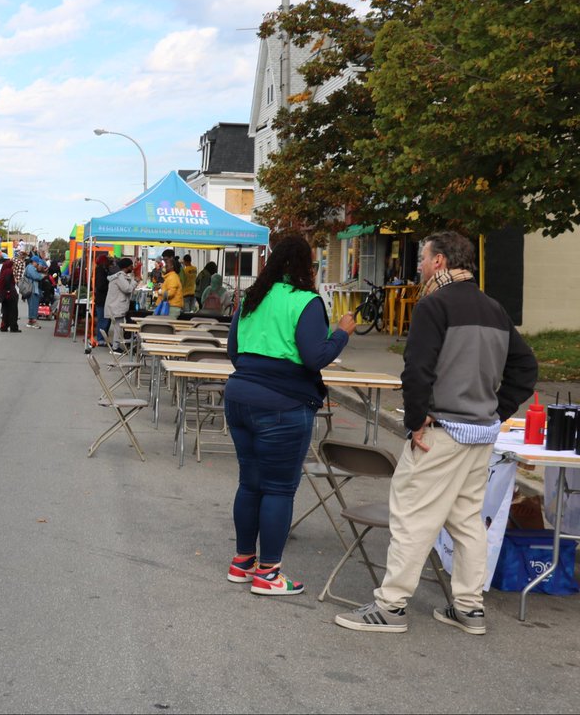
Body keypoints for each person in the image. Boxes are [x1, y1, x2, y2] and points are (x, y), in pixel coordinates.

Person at [335, 231, 537, 634]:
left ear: (441, 261)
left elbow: (417, 368)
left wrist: (415, 420)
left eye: (424, 258)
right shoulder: (494, 308)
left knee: (412, 515)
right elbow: (526, 369)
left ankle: (390, 606)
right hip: (480, 433)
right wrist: (497, 410)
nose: (420, 265)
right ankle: (469, 606)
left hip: (441, 429)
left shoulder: (434, 305)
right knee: (466, 521)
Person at [224, 234, 355, 596]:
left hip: (240, 396)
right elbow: (314, 357)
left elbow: (234, 353)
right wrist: (341, 334)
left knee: (250, 483)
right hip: (283, 403)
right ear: (304, 266)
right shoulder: (306, 302)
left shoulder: (251, 300)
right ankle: (268, 574)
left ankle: (243, 562)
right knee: (279, 488)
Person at [103, 258, 136, 350]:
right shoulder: (120, 277)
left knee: (118, 326)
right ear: (126, 267)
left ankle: (115, 346)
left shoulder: (119, 276)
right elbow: (127, 289)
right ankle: (115, 347)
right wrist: (134, 282)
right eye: (131, 266)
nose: (132, 268)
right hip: (117, 305)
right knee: (118, 327)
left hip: (116, 304)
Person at [0, 254, 21, 333]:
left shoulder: (3, 271)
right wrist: (8, 290)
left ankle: (4, 326)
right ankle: (13, 327)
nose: (13, 267)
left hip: (4, 294)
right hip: (10, 294)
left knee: (5, 311)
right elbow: (7, 281)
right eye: (13, 265)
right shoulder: (9, 271)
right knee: (13, 311)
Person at [23, 259, 44, 328]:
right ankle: (34, 321)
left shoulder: (30, 267)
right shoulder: (30, 267)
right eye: (37, 263)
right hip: (33, 289)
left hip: (32, 289)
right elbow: (36, 277)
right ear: (34, 262)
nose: (38, 265)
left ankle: (30, 321)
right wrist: (41, 276)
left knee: (32, 305)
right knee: (33, 305)